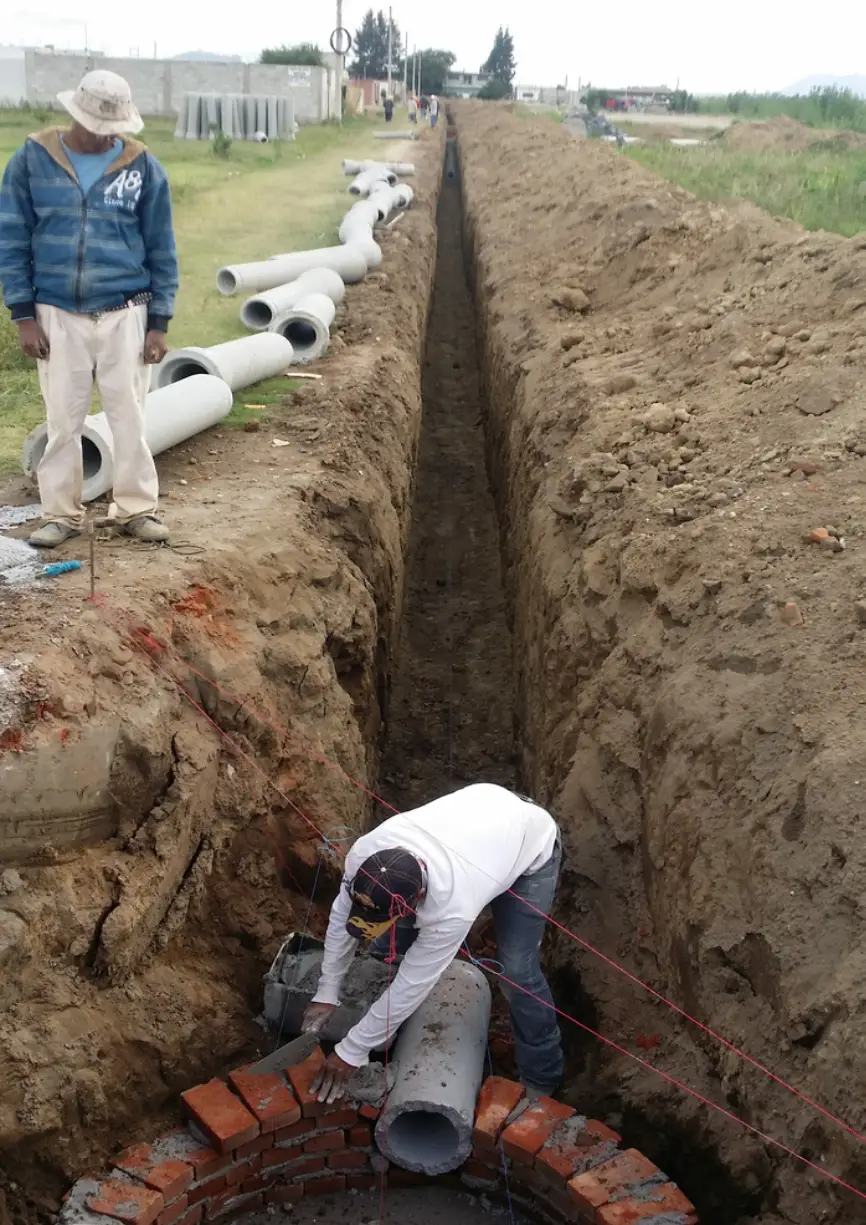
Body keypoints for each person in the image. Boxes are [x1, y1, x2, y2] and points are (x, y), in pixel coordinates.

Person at [0, 70, 179, 548]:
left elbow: (162, 247)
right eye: (97, 124)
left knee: (131, 418)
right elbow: (12, 238)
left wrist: (158, 323)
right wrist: (23, 315)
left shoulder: (142, 167)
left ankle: (136, 509)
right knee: (63, 421)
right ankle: (60, 513)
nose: (105, 135)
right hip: (57, 312)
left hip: (126, 310)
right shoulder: (32, 161)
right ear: (75, 115)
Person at [302, 783, 564, 1105]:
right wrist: (327, 992)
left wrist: (352, 1050)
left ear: (413, 905)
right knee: (388, 951)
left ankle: (542, 1075)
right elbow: (342, 922)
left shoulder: (453, 908)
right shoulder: (364, 855)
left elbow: (414, 982)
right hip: (482, 814)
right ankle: (390, 1032)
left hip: (529, 845)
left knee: (516, 971)